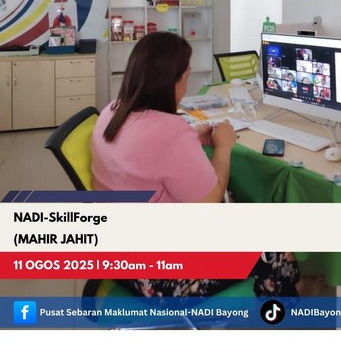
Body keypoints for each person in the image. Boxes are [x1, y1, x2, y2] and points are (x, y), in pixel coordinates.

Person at [91, 31, 300, 297]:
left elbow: (145, 152)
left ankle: (274, 289)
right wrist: (223, 147)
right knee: (272, 236)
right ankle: (285, 301)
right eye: (187, 76)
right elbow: (210, 200)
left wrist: (190, 137)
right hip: (163, 276)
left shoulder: (111, 110)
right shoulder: (169, 133)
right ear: (170, 82)